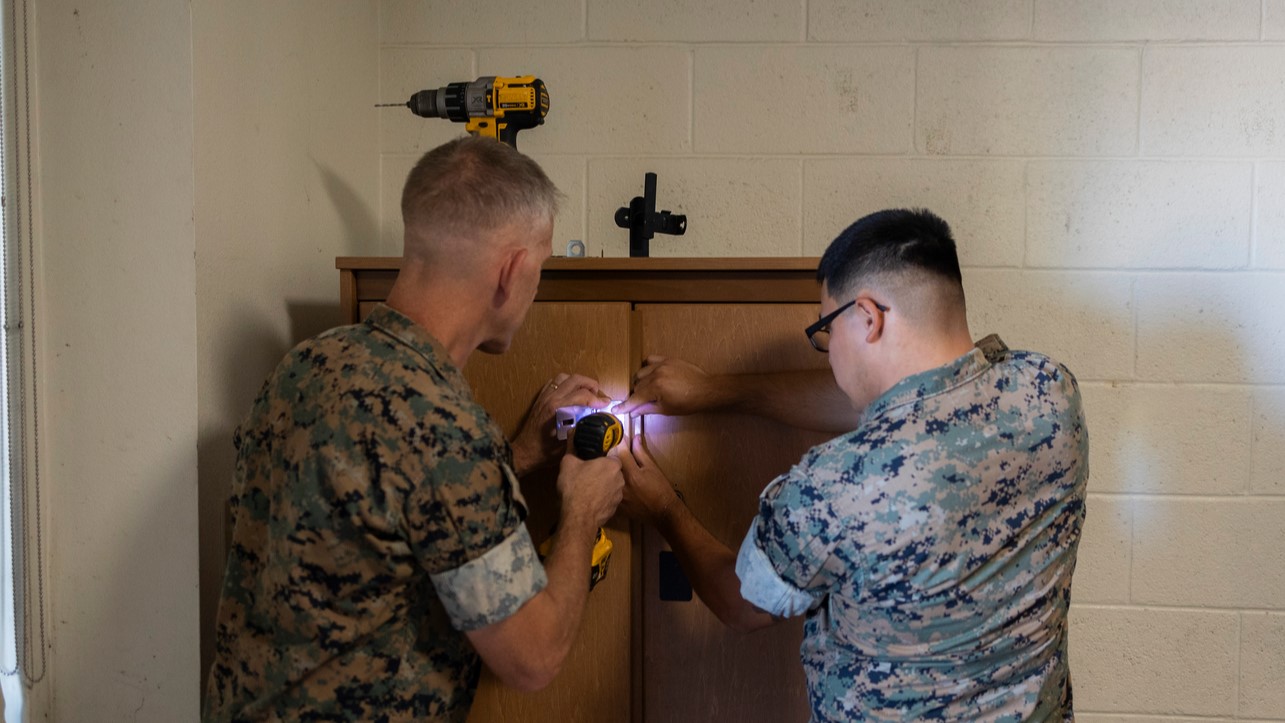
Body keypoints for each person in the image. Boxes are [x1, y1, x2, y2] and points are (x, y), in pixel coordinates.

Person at [204, 136, 624, 722]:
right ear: (512, 270)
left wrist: (517, 454)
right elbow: (534, 659)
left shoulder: (305, 366)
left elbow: (390, 501)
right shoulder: (444, 427)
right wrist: (583, 510)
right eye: (542, 267)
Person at [615, 208, 1089, 721]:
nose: (828, 351)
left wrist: (663, 507)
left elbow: (739, 603)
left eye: (825, 328)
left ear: (868, 317)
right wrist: (717, 391)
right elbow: (909, 405)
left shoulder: (830, 486)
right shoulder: (1048, 391)